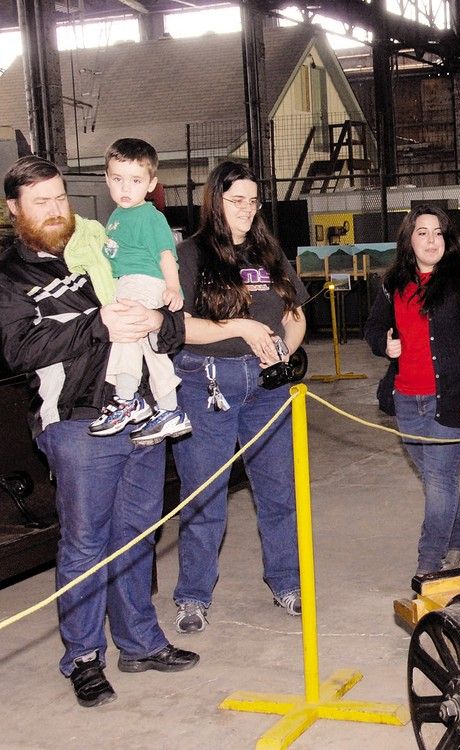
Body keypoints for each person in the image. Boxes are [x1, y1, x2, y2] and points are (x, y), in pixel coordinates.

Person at [0, 156, 199, 709]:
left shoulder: (104, 245)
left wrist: (159, 321)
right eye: (41, 202)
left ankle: (140, 643)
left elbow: (167, 319)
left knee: (138, 535)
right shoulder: (7, 280)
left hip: (141, 414)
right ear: (14, 210)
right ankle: (83, 656)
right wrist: (96, 322)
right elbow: (18, 350)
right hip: (77, 424)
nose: (56, 210)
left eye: (60, 198)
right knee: (85, 543)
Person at [170, 161, 308, 634]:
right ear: (215, 201)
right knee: (204, 496)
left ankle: (288, 582)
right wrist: (242, 327)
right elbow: (178, 327)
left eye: (253, 201)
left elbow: (293, 314)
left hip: (268, 388)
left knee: (279, 492)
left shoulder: (268, 252)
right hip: (207, 383)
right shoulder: (190, 254)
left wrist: (283, 350)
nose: (247, 210)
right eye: (236, 201)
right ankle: (193, 596)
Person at [364, 205, 460, 577]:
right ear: (409, 239)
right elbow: (373, 327)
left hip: (452, 402)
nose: (431, 240)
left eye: (438, 233)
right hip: (406, 401)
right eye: (422, 232)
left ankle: (428, 563)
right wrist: (384, 344)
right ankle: (458, 540)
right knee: (439, 479)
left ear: (448, 240)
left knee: (439, 479)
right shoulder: (394, 284)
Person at [87, 138, 191, 444]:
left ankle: (126, 398)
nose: (125, 188)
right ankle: (170, 409)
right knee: (152, 351)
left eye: (135, 181)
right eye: (118, 179)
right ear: (107, 179)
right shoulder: (117, 217)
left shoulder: (150, 216)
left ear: (151, 184)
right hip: (127, 282)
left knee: (125, 334)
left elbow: (166, 255)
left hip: (143, 282)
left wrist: (173, 287)